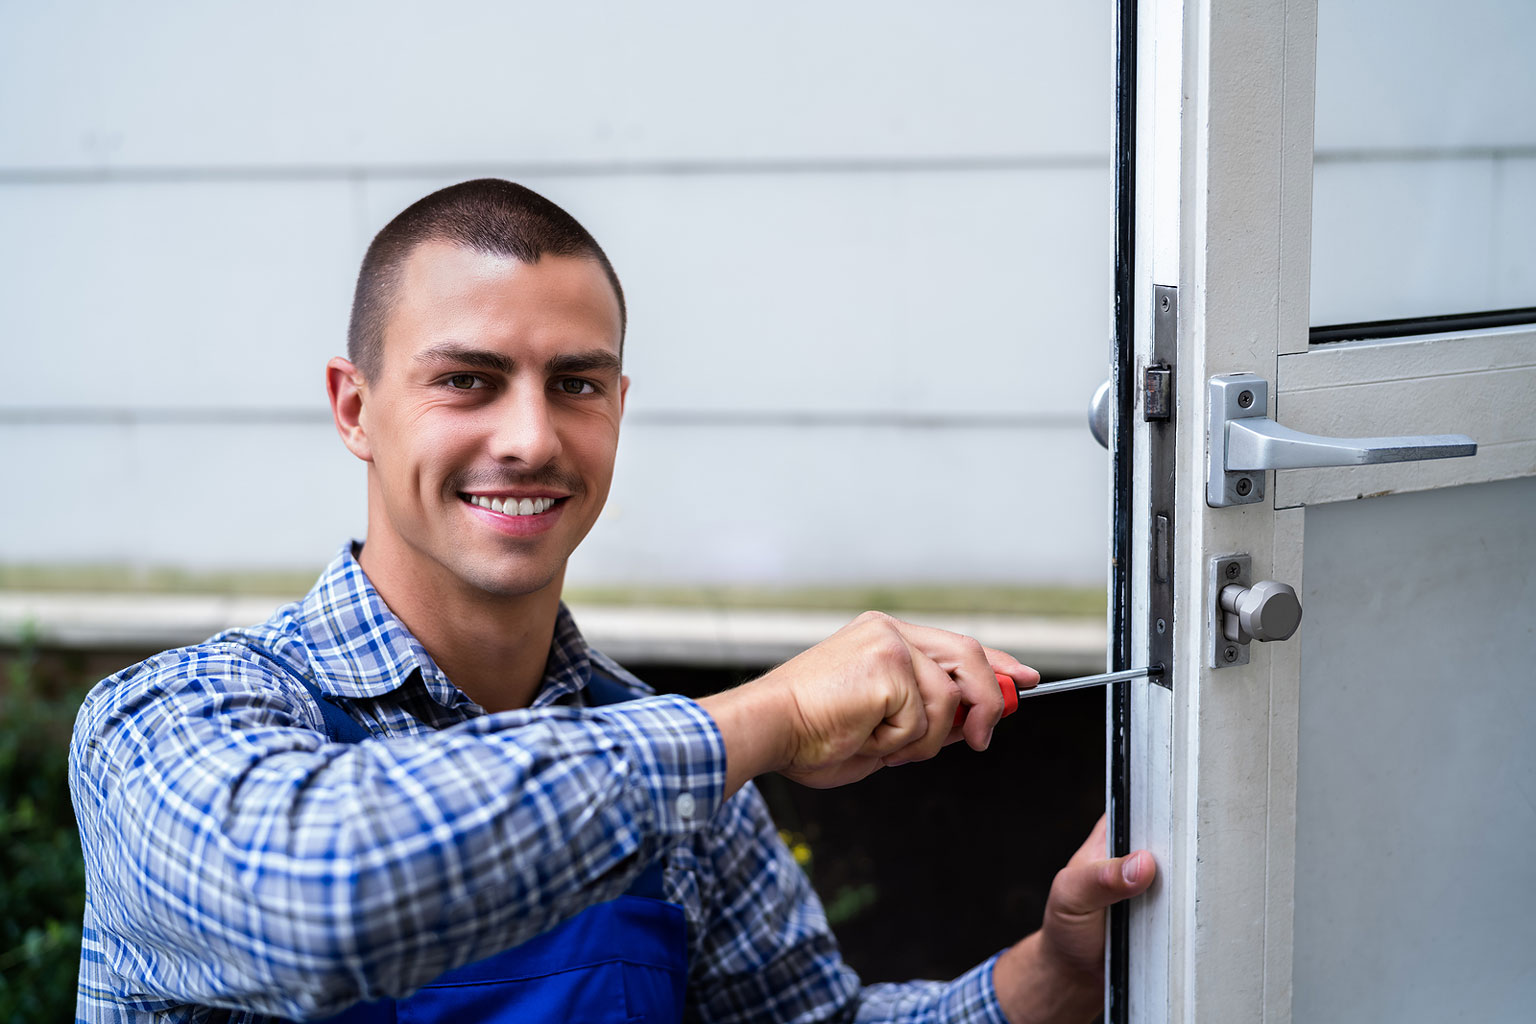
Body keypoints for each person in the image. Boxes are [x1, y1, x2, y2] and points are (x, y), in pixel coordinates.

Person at [69, 179, 1155, 1024]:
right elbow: (321, 901)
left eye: (576, 384)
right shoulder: (165, 722)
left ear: (620, 408)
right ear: (356, 407)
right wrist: (765, 719)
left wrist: (1057, 970)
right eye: (468, 379)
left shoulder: (682, 769)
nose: (532, 437)